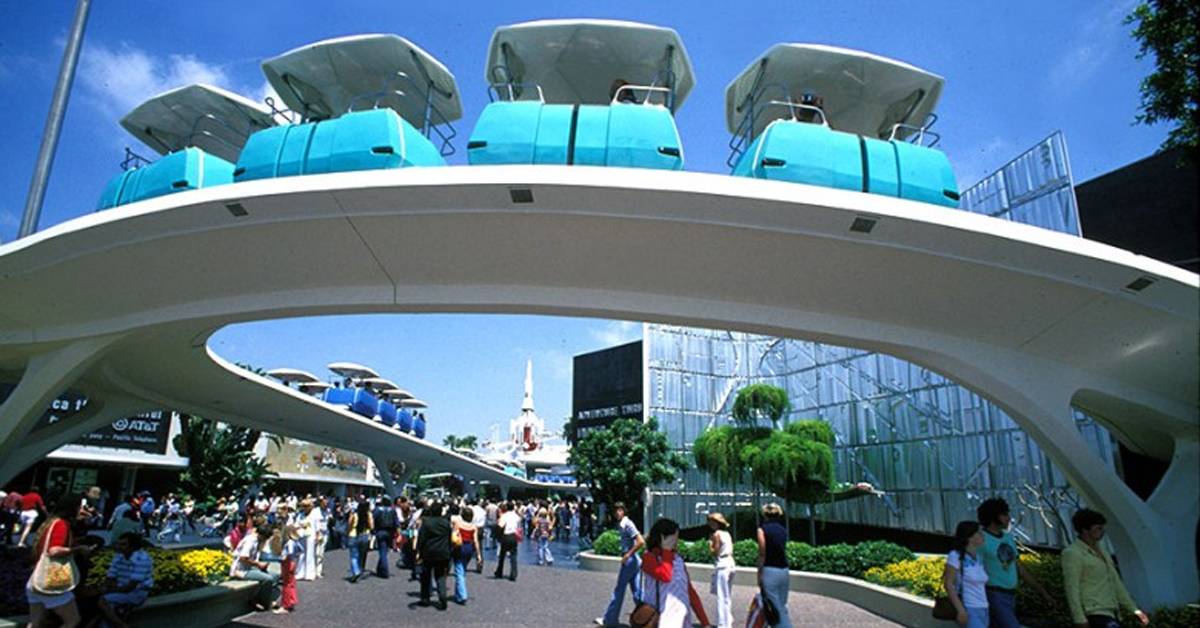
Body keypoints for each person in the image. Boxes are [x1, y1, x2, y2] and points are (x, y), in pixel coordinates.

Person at [1062, 509, 1149, 628]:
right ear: (1084, 529)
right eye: (1098, 528)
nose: (1102, 531)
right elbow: (1072, 587)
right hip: (1093, 612)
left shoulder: (1103, 552)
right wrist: (1079, 618)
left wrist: (1134, 610)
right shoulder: (1073, 553)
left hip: (1111, 611)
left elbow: (1116, 582)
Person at [976, 498, 1053, 628]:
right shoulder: (980, 539)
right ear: (993, 516)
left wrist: (1042, 591)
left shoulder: (1008, 538)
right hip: (992, 593)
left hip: (1010, 594)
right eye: (1004, 514)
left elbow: (1019, 568)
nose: (1008, 518)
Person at [640, 518, 711, 628]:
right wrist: (666, 550)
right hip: (660, 619)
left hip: (682, 619)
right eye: (674, 538)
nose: (677, 541)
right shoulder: (649, 557)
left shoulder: (677, 559)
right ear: (662, 538)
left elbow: (690, 591)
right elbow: (665, 576)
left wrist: (705, 622)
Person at [25, 497, 83, 628]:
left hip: (35, 581)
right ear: (73, 508)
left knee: (35, 623)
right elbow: (54, 550)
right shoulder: (62, 524)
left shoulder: (50, 522)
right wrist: (77, 549)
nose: (82, 509)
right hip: (50, 584)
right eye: (80, 506)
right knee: (72, 620)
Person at [596, 502, 645, 626]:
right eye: (616, 510)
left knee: (619, 590)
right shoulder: (623, 524)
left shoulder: (627, 524)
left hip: (630, 561)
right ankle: (648, 617)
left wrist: (628, 554)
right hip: (634, 561)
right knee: (638, 593)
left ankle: (610, 620)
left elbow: (640, 541)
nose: (618, 513)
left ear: (624, 511)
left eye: (620, 510)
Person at [96, 532, 153, 628]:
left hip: (137, 592)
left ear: (133, 546)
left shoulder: (142, 559)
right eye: (118, 544)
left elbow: (130, 587)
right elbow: (110, 577)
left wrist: (108, 590)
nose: (118, 547)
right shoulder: (119, 556)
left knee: (103, 601)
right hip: (120, 590)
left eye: (123, 544)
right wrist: (104, 587)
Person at [943, 520, 989, 628]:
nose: (982, 535)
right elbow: (948, 584)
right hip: (969, 607)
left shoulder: (978, 557)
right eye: (979, 532)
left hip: (983, 607)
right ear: (969, 537)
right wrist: (961, 610)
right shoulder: (955, 556)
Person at [230, 523, 281, 612]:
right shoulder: (250, 541)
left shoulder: (257, 540)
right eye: (266, 538)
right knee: (268, 579)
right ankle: (264, 602)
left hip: (250, 568)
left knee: (276, 576)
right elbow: (243, 558)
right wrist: (258, 564)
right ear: (262, 535)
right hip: (241, 570)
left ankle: (266, 598)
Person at [756, 503, 792, 628]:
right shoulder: (783, 530)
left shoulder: (762, 530)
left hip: (769, 569)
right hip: (784, 569)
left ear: (764, 515)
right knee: (782, 605)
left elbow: (762, 553)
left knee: (774, 607)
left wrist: (759, 574)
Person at [416, 502, 452, 610]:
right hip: (443, 552)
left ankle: (425, 598)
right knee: (440, 575)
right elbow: (449, 538)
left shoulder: (427, 523)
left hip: (429, 552)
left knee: (426, 576)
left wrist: (418, 551)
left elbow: (421, 538)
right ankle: (442, 596)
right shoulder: (446, 523)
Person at [708, 512, 735, 628]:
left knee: (721, 596)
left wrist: (710, 545)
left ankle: (722, 624)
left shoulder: (716, 534)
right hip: (731, 563)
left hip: (722, 564)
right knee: (727, 595)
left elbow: (715, 552)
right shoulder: (727, 534)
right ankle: (728, 620)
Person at [271, 524, 304, 613]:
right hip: (293, 562)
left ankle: (285, 605)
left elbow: (289, 552)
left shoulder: (289, 542)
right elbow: (301, 550)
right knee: (291, 583)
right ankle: (291, 601)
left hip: (287, 563)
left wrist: (281, 557)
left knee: (286, 584)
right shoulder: (296, 541)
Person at [452, 507, 480, 604]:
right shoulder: (473, 527)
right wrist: (478, 555)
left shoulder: (458, 524)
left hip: (460, 547)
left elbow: (454, 536)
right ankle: (457, 595)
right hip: (469, 548)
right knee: (462, 569)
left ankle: (463, 595)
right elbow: (476, 541)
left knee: (459, 571)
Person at [346, 500, 373, 583]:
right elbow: (372, 526)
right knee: (362, 555)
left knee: (354, 556)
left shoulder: (354, 514)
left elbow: (349, 524)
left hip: (353, 535)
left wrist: (347, 532)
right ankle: (360, 570)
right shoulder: (368, 515)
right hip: (365, 535)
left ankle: (355, 571)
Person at [494, 501, 521, 581]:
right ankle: (513, 573)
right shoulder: (517, 516)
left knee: (502, 555)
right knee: (513, 555)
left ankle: (499, 571)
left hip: (506, 536)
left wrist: (497, 535)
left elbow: (500, 526)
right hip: (514, 536)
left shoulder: (504, 516)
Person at [372, 495, 397, 578]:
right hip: (390, 532)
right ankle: (380, 569)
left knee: (382, 552)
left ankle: (384, 571)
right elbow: (396, 523)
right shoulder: (393, 510)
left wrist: (373, 530)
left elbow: (373, 519)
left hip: (380, 531)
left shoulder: (378, 510)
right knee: (385, 551)